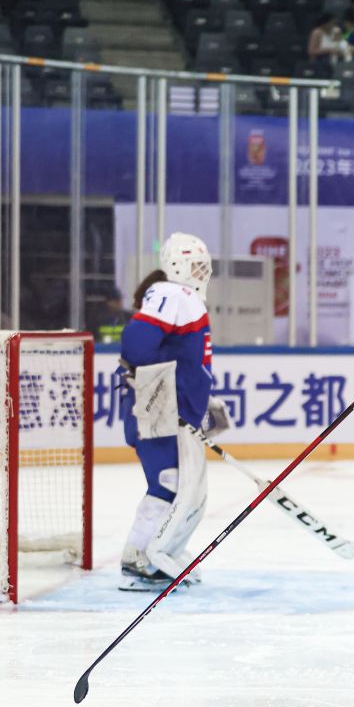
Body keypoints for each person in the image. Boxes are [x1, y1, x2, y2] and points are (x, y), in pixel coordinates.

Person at [118, 233, 226, 591]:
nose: (202, 272)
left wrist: (200, 401)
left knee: (184, 488)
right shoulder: (173, 294)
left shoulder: (183, 298)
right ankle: (138, 559)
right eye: (195, 265)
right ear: (177, 266)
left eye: (204, 266)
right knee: (168, 483)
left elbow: (182, 358)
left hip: (172, 413)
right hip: (159, 414)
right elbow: (136, 344)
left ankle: (162, 551)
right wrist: (164, 395)